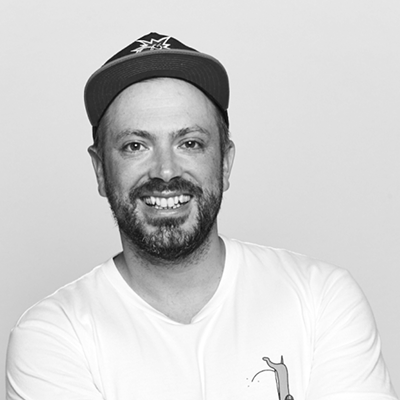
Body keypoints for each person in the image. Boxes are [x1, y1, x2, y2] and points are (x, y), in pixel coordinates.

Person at [6, 32, 398, 400]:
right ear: (100, 170)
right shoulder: (53, 335)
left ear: (224, 163)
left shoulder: (321, 299)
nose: (165, 170)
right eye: (135, 145)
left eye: (190, 143)